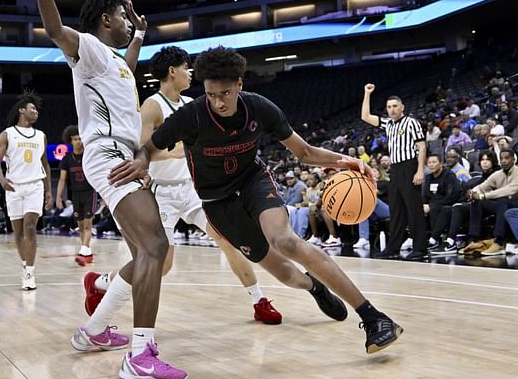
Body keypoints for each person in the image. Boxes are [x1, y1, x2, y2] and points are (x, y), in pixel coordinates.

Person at [110, 46, 403, 355]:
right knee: (286, 274)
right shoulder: (191, 115)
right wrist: (141, 161)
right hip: (218, 203)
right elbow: (149, 147)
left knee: (285, 241)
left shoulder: (259, 108)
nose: (218, 102)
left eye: (224, 93)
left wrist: (347, 161)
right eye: (211, 95)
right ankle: (315, 286)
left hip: (253, 182)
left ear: (239, 84)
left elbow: (304, 152)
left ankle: (373, 318)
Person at [13, 0, 187, 379]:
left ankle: (91, 331)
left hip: (122, 157)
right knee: (155, 247)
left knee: (142, 255)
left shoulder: (113, 61)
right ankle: (139, 356)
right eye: (122, 17)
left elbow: (125, 71)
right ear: (105, 20)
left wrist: (140, 37)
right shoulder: (87, 49)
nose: (128, 20)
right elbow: (53, 29)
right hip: (111, 155)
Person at [90, 45, 283, 324]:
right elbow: (141, 151)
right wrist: (180, 151)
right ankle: (102, 283)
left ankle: (259, 300)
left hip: (193, 190)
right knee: (161, 266)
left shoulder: (191, 105)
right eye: (185, 69)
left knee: (229, 239)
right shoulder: (153, 105)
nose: (190, 74)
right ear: (172, 71)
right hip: (162, 192)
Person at [0, 91, 52, 291]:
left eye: (36, 110)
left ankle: (30, 272)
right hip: (14, 187)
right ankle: (25, 264)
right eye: (32, 109)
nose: (35, 112)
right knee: (17, 232)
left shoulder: (41, 136)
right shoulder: (7, 134)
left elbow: (46, 165)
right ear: (21, 110)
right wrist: (2, 181)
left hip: (35, 185)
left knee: (29, 226)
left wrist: (49, 191)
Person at [362, 84, 428, 261]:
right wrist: (367, 94)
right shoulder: (388, 123)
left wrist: (420, 170)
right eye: (389, 107)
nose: (391, 110)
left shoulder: (411, 122)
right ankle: (393, 247)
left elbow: (421, 147)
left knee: (414, 209)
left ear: (402, 107)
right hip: (395, 169)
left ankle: (420, 248)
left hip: (410, 166)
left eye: (394, 106)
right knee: (396, 210)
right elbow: (365, 116)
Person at [56, 125, 97, 266]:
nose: (78, 141)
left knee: (87, 226)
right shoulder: (67, 159)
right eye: (75, 139)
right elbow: (62, 179)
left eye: (80, 138)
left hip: (89, 193)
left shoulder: (89, 156)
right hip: (75, 195)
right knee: (80, 227)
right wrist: (58, 197)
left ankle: (83, 251)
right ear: (70, 141)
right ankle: (87, 253)